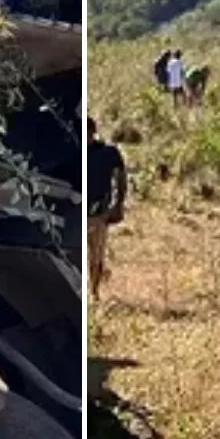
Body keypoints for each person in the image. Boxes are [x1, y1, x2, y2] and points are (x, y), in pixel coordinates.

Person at [86, 118, 128, 303]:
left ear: (92, 131)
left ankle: (93, 292)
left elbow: (121, 177)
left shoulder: (107, 153)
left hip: (98, 212)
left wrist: (118, 204)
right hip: (75, 209)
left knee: (96, 255)